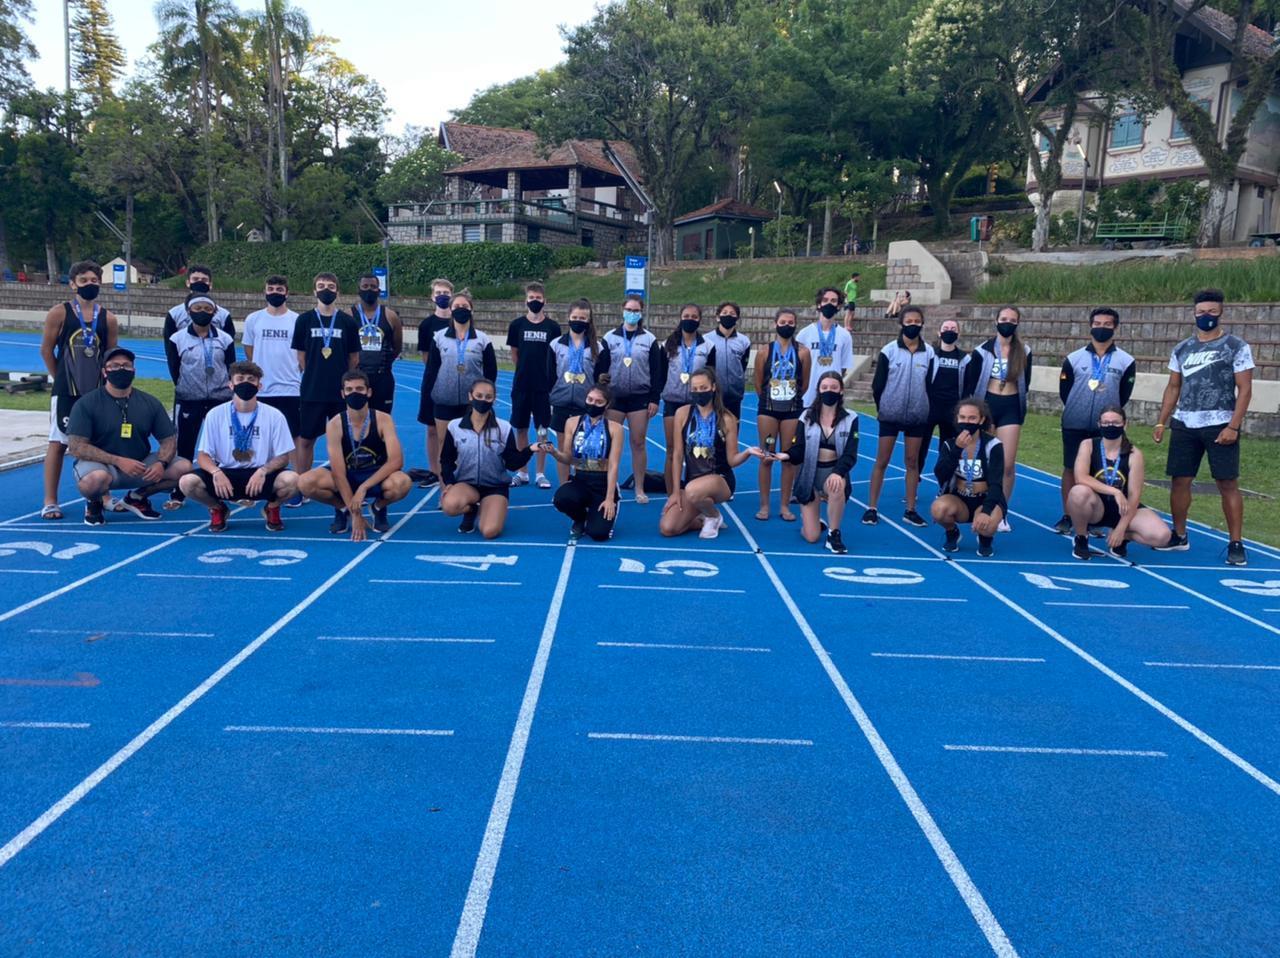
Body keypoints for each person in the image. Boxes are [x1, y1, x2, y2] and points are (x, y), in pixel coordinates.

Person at [1153, 288, 1254, 566]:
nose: (1205, 316)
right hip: (1185, 422)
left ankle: (1236, 543)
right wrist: (1163, 420)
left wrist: (1233, 426)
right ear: (1194, 313)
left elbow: (1244, 389)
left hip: (1220, 422)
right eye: (1200, 312)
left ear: (1221, 311)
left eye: (1211, 311)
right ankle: (1180, 535)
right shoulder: (1182, 348)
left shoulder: (1236, 346)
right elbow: (1173, 386)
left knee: (1227, 483)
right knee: (1180, 480)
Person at [66, 348, 190, 525]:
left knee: (184, 468)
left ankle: (137, 498)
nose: (121, 370)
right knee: (94, 481)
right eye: (114, 366)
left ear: (134, 371)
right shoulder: (86, 403)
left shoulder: (150, 402)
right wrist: (118, 460)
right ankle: (94, 502)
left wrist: (161, 463)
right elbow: (76, 447)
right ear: (104, 372)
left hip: (140, 464)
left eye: (126, 366)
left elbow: (168, 440)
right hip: (103, 466)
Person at [178, 361, 299, 533]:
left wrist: (263, 471)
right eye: (240, 379)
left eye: (251, 379)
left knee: (293, 480)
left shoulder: (274, 415)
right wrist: (216, 472)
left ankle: (272, 507)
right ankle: (217, 508)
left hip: (260, 474)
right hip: (226, 473)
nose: (245, 383)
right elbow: (203, 455)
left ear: (260, 385)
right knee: (187, 482)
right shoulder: (215, 414)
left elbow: (283, 457)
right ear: (230, 384)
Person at [40, 260, 118, 520]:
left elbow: (111, 357)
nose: (89, 285)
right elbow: (46, 350)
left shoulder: (108, 318)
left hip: (97, 393)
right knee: (58, 443)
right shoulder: (59, 313)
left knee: (101, 442)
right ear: (73, 284)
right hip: (66, 392)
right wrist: (59, 378)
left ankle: (104, 496)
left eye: (94, 281)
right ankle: (50, 500)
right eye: (84, 281)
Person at [297, 370, 413, 540]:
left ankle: (378, 507)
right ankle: (343, 508)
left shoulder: (383, 419)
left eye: (359, 389)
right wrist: (356, 514)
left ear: (369, 392)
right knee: (305, 482)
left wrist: (363, 488)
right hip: (347, 474)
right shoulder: (335, 424)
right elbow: (338, 472)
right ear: (342, 394)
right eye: (349, 390)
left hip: (375, 474)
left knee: (402, 482)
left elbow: (396, 461)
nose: (354, 393)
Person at [1053, 307, 1136, 535]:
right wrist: (1077, 407)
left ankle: (1095, 517)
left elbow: (1124, 394)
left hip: (1106, 427)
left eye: (1107, 324)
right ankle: (1069, 515)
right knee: (1071, 469)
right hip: (1074, 423)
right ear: (1090, 326)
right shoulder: (1074, 358)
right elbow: (1065, 390)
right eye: (1097, 324)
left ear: (1115, 327)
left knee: (1100, 470)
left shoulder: (1125, 361)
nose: (1102, 328)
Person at [659, 368, 754, 540]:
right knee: (668, 528)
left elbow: (732, 460)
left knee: (693, 490)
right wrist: (674, 491)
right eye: (694, 389)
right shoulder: (682, 413)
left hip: (720, 480)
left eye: (703, 388)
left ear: (713, 387)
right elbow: (677, 455)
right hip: (691, 485)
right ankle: (702, 518)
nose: (698, 393)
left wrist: (748, 452)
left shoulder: (727, 419)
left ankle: (714, 515)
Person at [1068, 406, 1172, 561]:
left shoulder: (1134, 454)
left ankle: (1122, 538)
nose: (1110, 426)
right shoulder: (1088, 445)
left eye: (1115, 423)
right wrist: (1115, 491)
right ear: (1099, 424)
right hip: (1096, 506)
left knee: (1162, 537)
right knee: (1078, 492)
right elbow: (1080, 477)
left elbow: (1134, 495)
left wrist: (1121, 529)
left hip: (1124, 508)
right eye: (1106, 422)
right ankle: (1081, 538)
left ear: (1125, 424)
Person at [962, 305, 1032, 529]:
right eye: (1004, 318)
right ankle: (983, 507)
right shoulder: (982, 350)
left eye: (1012, 320)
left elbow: (1026, 382)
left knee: (1008, 464)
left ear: (1017, 323)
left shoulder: (1025, 351)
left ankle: (1001, 512)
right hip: (988, 406)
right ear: (996, 320)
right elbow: (971, 383)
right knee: (989, 460)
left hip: (1011, 406)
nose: (1007, 323)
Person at [863, 306, 934, 527]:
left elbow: (931, 384)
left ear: (922, 324)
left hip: (917, 416)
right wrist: (884, 408)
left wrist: (924, 408)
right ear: (901, 323)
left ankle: (910, 509)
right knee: (882, 461)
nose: (913, 325)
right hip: (890, 416)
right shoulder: (889, 351)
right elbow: (878, 385)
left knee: (912, 462)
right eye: (909, 321)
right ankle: (872, 507)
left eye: (917, 321)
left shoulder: (929, 353)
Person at [776, 371, 858, 554]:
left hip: (833, 473)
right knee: (811, 537)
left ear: (841, 391)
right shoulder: (805, 417)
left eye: (834, 387)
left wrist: (838, 472)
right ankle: (812, 521)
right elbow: (799, 449)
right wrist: (786, 455)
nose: (829, 391)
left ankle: (833, 534)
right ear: (819, 390)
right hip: (809, 477)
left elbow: (850, 454)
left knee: (837, 486)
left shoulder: (851, 418)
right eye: (825, 387)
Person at [439, 378, 532, 538]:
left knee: (489, 531)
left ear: (494, 399)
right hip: (466, 484)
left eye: (488, 397)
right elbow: (446, 459)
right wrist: (449, 482)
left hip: (495, 486)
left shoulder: (503, 428)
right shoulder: (455, 426)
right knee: (449, 506)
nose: (483, 400)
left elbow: (512, 463)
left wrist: (530, 450)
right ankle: (472, 509)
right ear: (470, 396)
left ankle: (489, 508)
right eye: (479, 395)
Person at [166, 295, 236, 506]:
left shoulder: (225, 338)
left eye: (207, 308)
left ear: (214, 313)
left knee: (222, 446)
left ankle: (224, 486)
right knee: (185, 446)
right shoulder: (177, 339)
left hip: (220, 399)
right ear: (189, 311)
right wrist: (188, 388)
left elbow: (231, 367)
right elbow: (174, 369)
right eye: (198, 307)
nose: (202, 311)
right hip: (189, 399)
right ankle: (179, 490)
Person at [242, 274, 304, 505]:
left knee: (294, 438)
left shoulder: (297, 320)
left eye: (280, 289)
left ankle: (296, 487)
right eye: (271, 288)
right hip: (263, 390)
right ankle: (259, 485)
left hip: (290, 388)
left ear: (287, 293)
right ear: (265, 291)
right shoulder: (253, 319)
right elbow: (249, 349)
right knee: (260, 439)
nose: (275, 292)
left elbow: (302, 353)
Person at [546, 377, 625, 540]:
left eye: (598, 401)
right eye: (589, 399)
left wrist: (609, 498)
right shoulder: (572, 423)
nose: (592, 404)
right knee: (561, 498)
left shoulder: (615, 428)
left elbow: (614, 465)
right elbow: (568, 458)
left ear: (607, 405)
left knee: (598, 534)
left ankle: (602, 511)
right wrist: (554, 452)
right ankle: (580, 518)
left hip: (602, 484)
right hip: (581, 479)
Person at [425, 290, 499, 465]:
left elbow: (491, 372)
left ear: (471, 310)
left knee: (470, 445)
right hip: (444, 401)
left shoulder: (482, 339)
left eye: (464, 306)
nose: (460, 309)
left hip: (472, 403)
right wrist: (428, 397)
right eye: (456, 306)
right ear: (450, 310)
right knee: (444, 446)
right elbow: (431, 370)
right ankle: (444, 485)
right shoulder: (439, 337)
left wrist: (486, 397)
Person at [602, 295, 662, 504]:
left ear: (641, 313)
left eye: (636, 311)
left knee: (638, 443)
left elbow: (657, 371)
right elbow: (601, 369)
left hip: (640, 398)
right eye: (629, 309)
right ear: (622, 310)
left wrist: (654, 398)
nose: (632, 313)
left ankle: (639, 487)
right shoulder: (609, 338)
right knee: (609, 444)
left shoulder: (649, 339)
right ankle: (609, 485)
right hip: (614, 398)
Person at [754, 307, 811, 521]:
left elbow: (804, 383)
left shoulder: (803, 352)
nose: (787, 325)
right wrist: (771, 398)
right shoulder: (764, 352)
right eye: (783, 322)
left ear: (795, 325)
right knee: (767, 456)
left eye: (791, 322)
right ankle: (765, 505)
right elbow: (758, 383)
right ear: (775, 324)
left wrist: (790, 399)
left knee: (788, 458)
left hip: (792, 411)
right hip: (768, 410)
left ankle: (785, 505)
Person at [930, 398, 1006, 558]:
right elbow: (940, 474)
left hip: (985, 498)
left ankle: (985, 538)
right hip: (960, 500)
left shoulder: (993, 446)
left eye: (972, 418)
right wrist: (957, 449)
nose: (967, 422)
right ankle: (952, 532)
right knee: (938, 509)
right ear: (957, 419)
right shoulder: (950, 444)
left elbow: (996, 484)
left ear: (981, 419)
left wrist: (986, 511)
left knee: (988, 523)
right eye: (963, 417)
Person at [545, 298, 610, 485]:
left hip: (587, 405)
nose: (578, 321)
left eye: (583, 318)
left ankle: (584, 486)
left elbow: (602, 380)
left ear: (588, 320)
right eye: (575, 317)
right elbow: (549, 375)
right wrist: (551, 397)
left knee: (586, 448)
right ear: (568, 318)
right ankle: (564, 486)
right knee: (564, 449)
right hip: (561, 403)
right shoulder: (556, 344)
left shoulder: (599, 347)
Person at [507, 281, 561, 489]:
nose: (535, 301)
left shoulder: (552, 327)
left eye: (538, 298)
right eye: (531, 298)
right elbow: (515, 353)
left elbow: (555, 355)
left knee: (542, 430)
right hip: (521, 385)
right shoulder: (517, 325)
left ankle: (539, 473)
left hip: (543, 388)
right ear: (526, 301)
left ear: (544, 301)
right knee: (520, 428)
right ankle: (522, 472)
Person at [658, 304, 715, 495]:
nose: (689, 319)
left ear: (699, 320)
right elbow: (660, 373)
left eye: (694, 316)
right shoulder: (668, 344)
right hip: (672, 403)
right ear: (680, 318)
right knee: (672, 450)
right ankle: (672, 494)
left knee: (697, 449)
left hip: (698, 404)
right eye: (686, 315)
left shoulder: (707, 346)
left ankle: (697, 492)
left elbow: (711, 375)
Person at [415, 277, 455, 486]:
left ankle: (452, 469)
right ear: (432, 297)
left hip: (455, 383)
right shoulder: (426, 325)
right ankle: (434, 471)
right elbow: (425, 357)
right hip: (432, 382)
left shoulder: (457, 322)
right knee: (431, 429)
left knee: (454, 429)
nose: (442, 296)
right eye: (438, 293)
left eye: (446, 293)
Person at [353, 272, 402, 415]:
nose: (369, 289)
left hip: (382, 378)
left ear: (379, 291)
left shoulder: (391, 316)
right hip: (357, 376)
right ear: (359, 290)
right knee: (356, 418)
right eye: (365, 286)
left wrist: (384, 362)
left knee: (382, 419)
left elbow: (397, 347)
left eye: (373, 287)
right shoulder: (348, 315)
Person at [796, 287, 855, 406]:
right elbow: (798, 365)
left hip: (831, 394)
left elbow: (843, 368)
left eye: (833, 301)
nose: (829, 303)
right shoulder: (804, 334)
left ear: (838, 306)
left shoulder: (845, 335)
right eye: (825, 300)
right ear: (819, 304)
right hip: (807, 396)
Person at [922, 318, 966, 478]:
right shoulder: (930, 354)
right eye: (946, 328)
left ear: (958, 333)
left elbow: (967, 387)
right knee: (921, 448)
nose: (949, 331)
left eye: (953, 328)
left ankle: (944, 485)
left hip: (952, 410)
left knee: (947, 450)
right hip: (929, 408)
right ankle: (914, 483)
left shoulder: (964, 358)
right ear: (939, 332)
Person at [706, 301, 752, 419]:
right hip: (712, 394)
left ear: (737, 318)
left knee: (732, 431)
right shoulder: (707, 339)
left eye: (732, 313)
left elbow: (742, 366)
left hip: (734, 395)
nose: (728, 316)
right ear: (717, 317)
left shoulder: (744, 341)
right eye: (724, 313)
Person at [163, 264, 234, 339]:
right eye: (195, 279)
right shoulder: (174, 314)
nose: (200, 282)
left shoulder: (223, 315)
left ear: (210, 285)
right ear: (188, 283)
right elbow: (170, 345)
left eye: (204, 280)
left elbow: (229, 343)